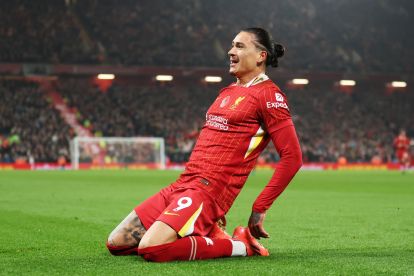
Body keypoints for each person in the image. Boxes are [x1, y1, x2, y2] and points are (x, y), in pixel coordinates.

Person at [106, 27, 302, 262]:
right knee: (116, 243)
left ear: (261, 56)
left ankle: (240, 246)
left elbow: (292, 157)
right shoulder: (228, 91)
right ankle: (208, 231)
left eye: (239, 46)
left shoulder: (270, 96)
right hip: (183, 184)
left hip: (207, 191)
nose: (230, 51)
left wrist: (260, 207)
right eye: (231, 45)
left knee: (151, 249)